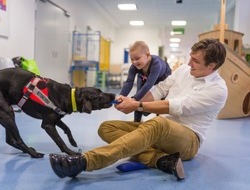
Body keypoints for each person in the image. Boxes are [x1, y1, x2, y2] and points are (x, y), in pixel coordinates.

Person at [49, 38, 228, 181]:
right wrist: (131, 99)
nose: (189, 63)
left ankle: (85, 162)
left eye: (195, 61)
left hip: (188, 139)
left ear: (212, 66)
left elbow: (176, 106)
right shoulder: (184, 70)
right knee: (107, 127)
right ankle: (160, 160)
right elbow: (159, 90)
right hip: (161, 129)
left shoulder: (218, 90)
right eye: (190, 57)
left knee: (158, 122)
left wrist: (137, 105)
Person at [120, 41, 171, 122]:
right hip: (146, 78)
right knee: (138, 97)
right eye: (132, 59)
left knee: (160, 101)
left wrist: (133, 100)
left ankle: (159, 121)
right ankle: (137, 122)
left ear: (147, 55)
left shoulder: (156, 64)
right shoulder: (134, 66)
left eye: (137, 58)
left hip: (162, 79)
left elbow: (149, 84)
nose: (134, 62)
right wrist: (121, 97)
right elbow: (129, 82)